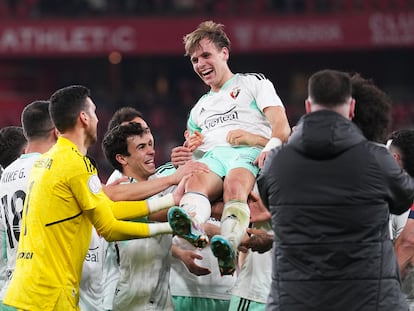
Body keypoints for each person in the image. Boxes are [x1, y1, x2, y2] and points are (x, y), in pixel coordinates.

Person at [3, 85, 187, 311]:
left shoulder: (46, 161)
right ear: (84, 118)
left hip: (24, 292)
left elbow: (107, 208)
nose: (98, 119)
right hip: (48, 296)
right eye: (94, 112)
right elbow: (109, 227)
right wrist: (168, 227)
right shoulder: (75, 164)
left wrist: (168, 201)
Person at [257, 69, 414, 310]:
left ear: (308, 107)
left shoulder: (276, 163)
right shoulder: (378, 160)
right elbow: (404, 197)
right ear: (351, 108)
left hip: (295, 300)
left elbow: (268, 200)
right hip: (368, 300)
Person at [167, 20, 291, 276]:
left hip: (246, 156)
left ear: (224, 53)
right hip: (213, 158)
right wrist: (185, 153)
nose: (200, 64)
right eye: (194, 60)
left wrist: (269, 146)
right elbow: (194, 145)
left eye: (205, 55)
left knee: (235, 184)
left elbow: (282, 127)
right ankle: (193, 224)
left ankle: (229, 243)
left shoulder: (254, 83)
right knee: (195, 180)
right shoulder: (199, 108)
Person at [0, 101, 58, 311]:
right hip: (40, 294)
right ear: (57, 131)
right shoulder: (51, 168)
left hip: (11, 289)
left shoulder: (6, 173)